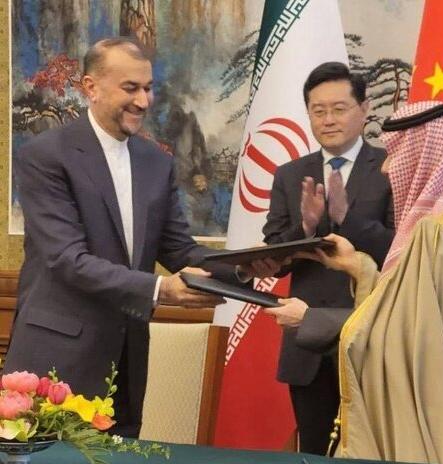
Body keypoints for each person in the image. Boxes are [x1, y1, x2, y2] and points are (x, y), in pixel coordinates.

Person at [3, 37, 262, 438]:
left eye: (148, 88)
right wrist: (161, 289)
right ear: (91, 87)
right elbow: (68, 260)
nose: (143, 101)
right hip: (56, 362)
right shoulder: (46, 155)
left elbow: (179, 249)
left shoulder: (155, 162)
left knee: (118, 463)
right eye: (131, 88)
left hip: (125, 362)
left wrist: (245, 268)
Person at [266, 101, 443, 464]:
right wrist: (360, 267)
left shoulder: (435, 235)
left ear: (427, 155)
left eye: (396, 152)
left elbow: (408, 338)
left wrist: (312, 318)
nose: (386, 167)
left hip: (426, 427)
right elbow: (417, 310)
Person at [261, 62, 394, 455]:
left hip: (372, 338)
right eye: (318, 111)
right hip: (308, 344)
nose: (328, 120)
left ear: (364, 109)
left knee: (371, 458)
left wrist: (346, 219)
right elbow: (273, 258)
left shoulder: (390, 167)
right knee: (315, 455)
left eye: (339, 109)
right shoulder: (290, 175)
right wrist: (304, 229)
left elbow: (401, 252)